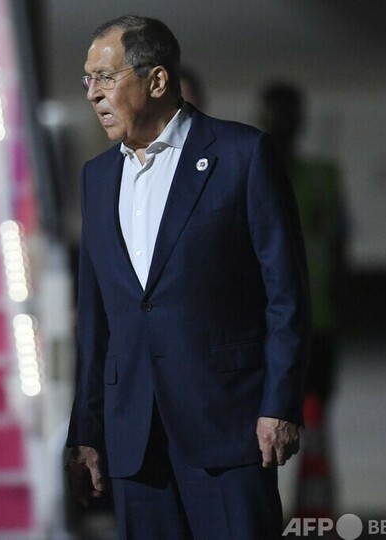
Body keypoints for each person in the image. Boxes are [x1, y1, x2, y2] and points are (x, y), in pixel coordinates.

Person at [66, 16, 310, 539]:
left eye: (105, 77)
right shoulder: (97, 177)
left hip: (228, 428)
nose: (92, 93)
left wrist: (279, 404)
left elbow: (286, 294)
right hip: (134, 440)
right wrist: (85, 430)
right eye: (87, 79)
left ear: (156, 80)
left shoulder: (242, 155)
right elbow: (95, 320)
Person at [260, 82, 345, 516]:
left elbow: (339, 249)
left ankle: (315, 520)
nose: (282, 124)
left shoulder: (323, 177)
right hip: (267, 327)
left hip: (317, 325)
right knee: (264, 432)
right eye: (276, 115)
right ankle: (266, 515)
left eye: (288, 115)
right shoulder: (252, 173)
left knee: (315, 429)